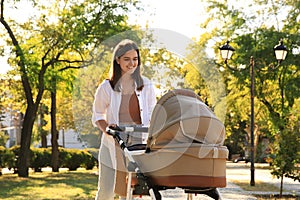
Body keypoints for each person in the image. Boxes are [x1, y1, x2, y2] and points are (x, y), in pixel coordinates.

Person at [92, 39, 156, 200]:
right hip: (113, 140)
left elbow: (154, 113)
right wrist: (108, 128)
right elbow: (98, 115)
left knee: (131, 190)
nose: (131, 64)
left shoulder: (146, 85)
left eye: (135, 59)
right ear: (118, 60)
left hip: (138, 140)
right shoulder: (107, 87)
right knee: (106, 190)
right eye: (127, 59)